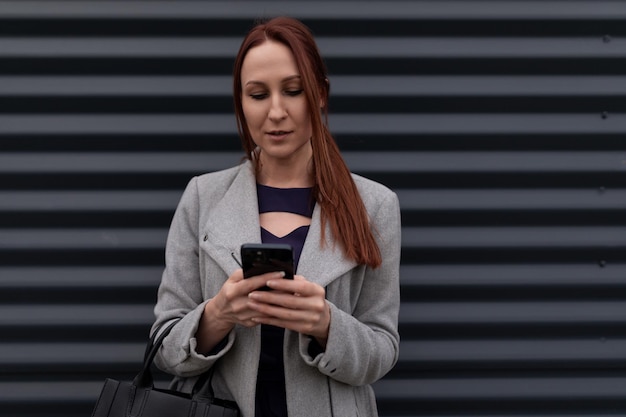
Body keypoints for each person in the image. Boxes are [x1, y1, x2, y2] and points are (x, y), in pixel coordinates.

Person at [152, 16, 401, 417]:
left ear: (320, 94)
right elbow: (165, 349)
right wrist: (218, 315)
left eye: (293, 90)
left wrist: (325, 323)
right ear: (240, 101)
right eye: (257, 94)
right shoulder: (202, 197)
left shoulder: (375, 205)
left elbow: (382, 351)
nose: (276, 111)